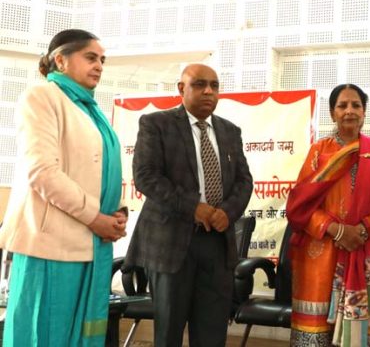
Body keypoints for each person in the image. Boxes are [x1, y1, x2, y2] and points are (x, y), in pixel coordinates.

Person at [0, 29, 127, 346]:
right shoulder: (41, 96)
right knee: (44, 334)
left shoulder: (90, 108)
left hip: (88, 243)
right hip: (50, 244)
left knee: (76, 336)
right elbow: (42, 172)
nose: (99, 65)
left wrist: (118, 210)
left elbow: (99, 167)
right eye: (90, 57)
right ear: (60, 59)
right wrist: (96, 217)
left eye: (102, 60)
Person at [124, 63, 253, 347]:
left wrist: (227, 213)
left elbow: (244, 181)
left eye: (215, 86)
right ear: (181, 88)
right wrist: (194, 207)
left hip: (217, 244)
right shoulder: (156, 123)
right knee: (169, 332)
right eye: (199, 84)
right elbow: (146, 176)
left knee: (212, 334)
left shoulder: (230, 131)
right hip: (172, 244)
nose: (209, 91)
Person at [286, 84, 370, 346]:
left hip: (366, 250)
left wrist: (363, 229)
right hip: (322, 252)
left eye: (356, 105)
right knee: (318, 333)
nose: (349, 111)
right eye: (342, 105)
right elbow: (299, 206)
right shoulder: (319, 152)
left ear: (364, 112)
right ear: (332, 113)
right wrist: (338, 230)